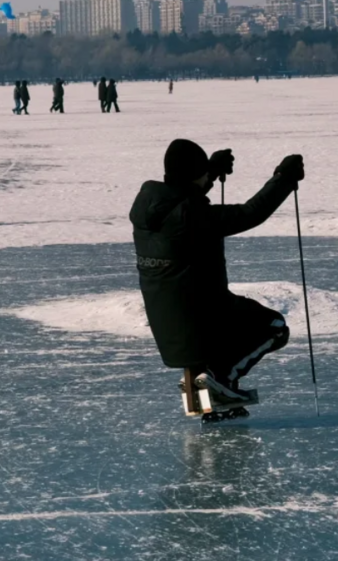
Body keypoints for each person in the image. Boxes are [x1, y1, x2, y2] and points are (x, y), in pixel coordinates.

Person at [129, 139, 305, 409]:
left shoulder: (151, 207)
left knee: (212, 338)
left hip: (168, 321)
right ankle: (221, 379)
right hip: (204, 317)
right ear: (193, 175)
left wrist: (208, 172)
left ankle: (207, 393)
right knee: (274, 328)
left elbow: (181, 194)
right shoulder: (191, 216)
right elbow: (249, 214)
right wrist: (282, 180)